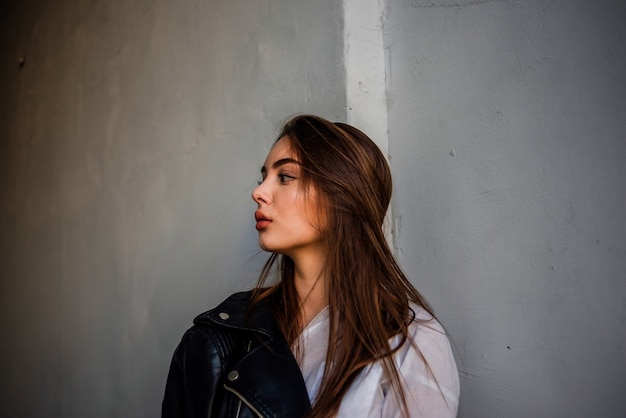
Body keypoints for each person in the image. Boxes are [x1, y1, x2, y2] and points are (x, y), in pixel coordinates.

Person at [162, 115, 460, 417]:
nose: (259, 192)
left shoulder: (411, 340)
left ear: (342, 195)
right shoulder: (222, 336)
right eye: (263, 178)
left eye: (285, 177)